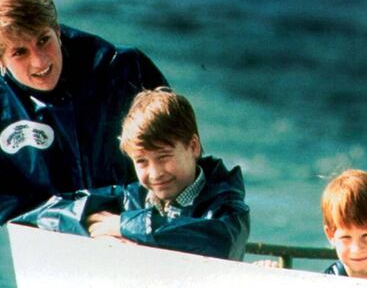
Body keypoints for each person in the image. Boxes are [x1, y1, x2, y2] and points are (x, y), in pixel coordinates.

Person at [0, 0, 167, 225]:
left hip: (137, 224)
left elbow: (179, 158)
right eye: (19, 52)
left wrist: (126, 224)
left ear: (57, 31)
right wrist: (74, 218)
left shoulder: (124, 71)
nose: (39, 62)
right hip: (49, 233)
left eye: (43, 40)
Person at [85, 87, 250, 260]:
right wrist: (103, 234)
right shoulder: (131, 198)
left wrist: (126, 226)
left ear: (193, 146)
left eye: (164, 157)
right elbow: (56, 210)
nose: (155, 174)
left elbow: (220, 242)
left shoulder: (227, 208)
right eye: (142, 161)